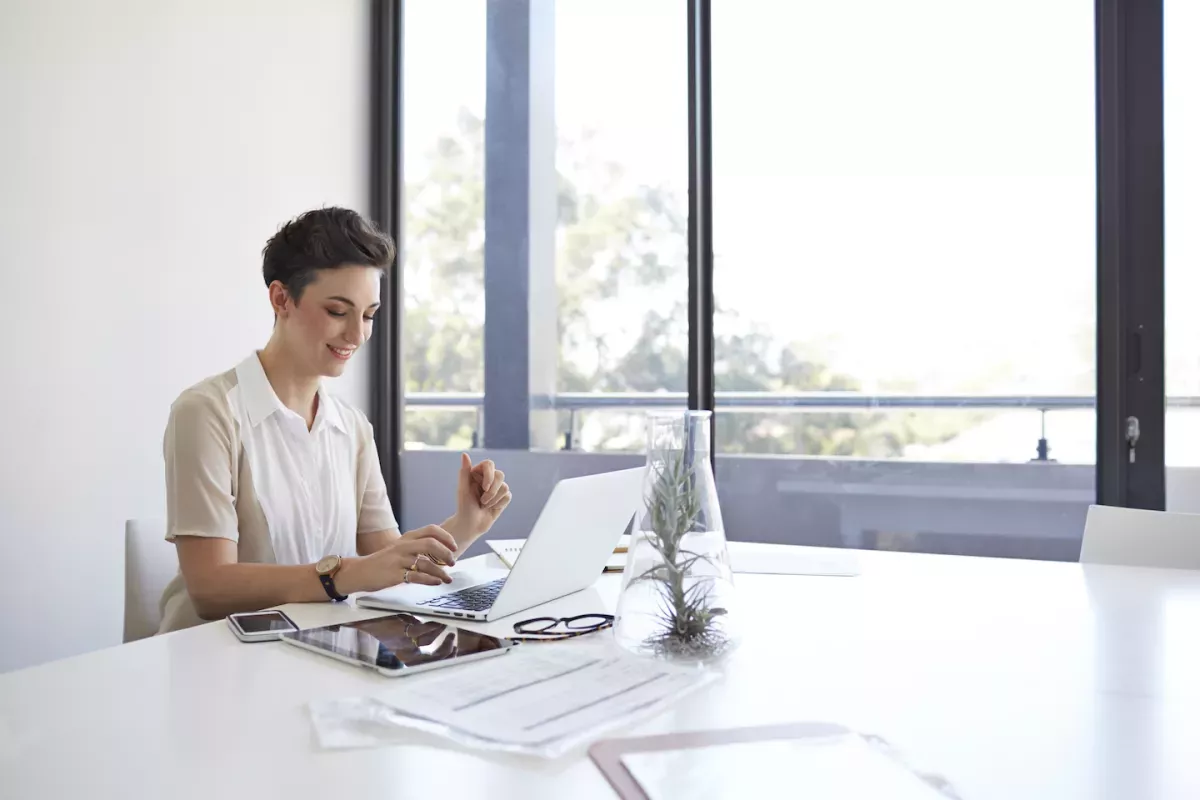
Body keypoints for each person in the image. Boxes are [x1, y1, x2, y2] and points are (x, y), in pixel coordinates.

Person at [156, 207, 511, 633]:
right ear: (281, 299)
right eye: (338, 312)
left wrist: (465, 525)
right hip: (213, 660)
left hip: (315, 651)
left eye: (368, 315)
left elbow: (387, 562)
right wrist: (343, 574)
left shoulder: (352, 427)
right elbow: (210, 588)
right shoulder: (207, 412)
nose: (357, 335)